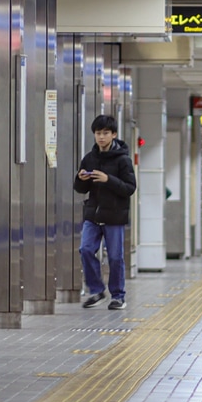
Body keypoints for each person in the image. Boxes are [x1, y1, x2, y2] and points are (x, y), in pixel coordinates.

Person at [74, 114, 138, 310]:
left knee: (115, 257)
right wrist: (80, 179)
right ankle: (96, 290)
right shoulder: (89, 158)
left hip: (114, 216)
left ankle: (118, 296)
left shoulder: (123, 161)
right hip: (93, 214)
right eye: (98, 133)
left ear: (113, 135)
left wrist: (108, 179)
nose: (101, 137)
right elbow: (80, 189)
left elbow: (130, 188)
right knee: (85, 249)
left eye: (105, 133)